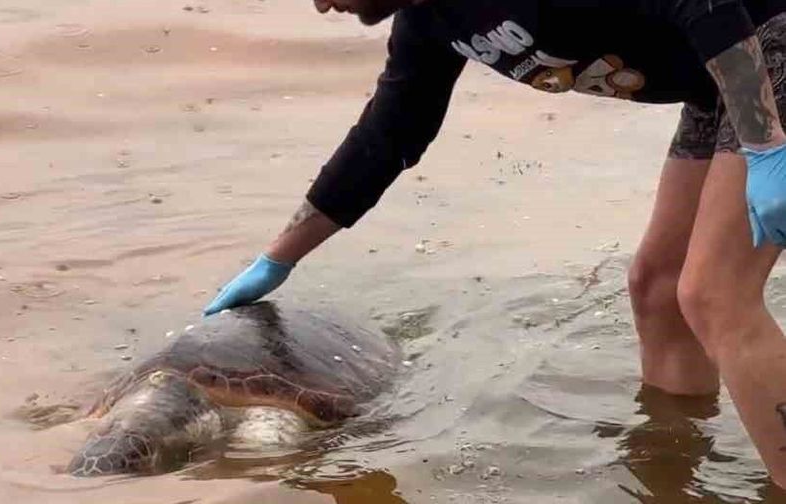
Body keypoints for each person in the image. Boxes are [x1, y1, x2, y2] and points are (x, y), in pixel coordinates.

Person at [202, 0, 786, 487]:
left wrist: (765, 147)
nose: (322, 4)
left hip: (766, 43)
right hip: (722, 82)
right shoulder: (429, 19)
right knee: (657, 291)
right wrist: (278, 258)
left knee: (715, 294)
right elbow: (389, 133)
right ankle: (673, 474)